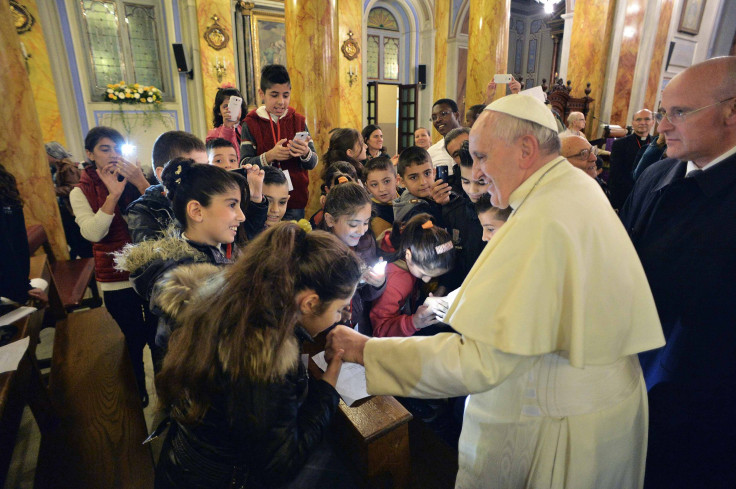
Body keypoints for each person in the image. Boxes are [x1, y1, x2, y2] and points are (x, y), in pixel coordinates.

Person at [327, 94, 665, 489]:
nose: (479, 174)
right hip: (591, 406)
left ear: (525, 149)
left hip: (557, 427)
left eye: (483, 156)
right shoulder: (570, 188)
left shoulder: (541, 219)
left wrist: (364, 350)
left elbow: (478, 363)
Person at [153, 223, 362, 489]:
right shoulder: (259, 358)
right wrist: (328, 385)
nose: (344, 317)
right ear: (309, 303)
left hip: (185, 460)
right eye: (341, 309)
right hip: (221, 479)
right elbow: (281, 465)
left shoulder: (235, 296)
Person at [618, 56, 736, 489]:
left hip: (708, 409)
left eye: (680, 113)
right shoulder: (657, 172)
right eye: (663, 111)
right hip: (630, 379)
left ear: (732, 111)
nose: (663, 125)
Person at [69, 126, 160, 406]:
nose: (112, 155)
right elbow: (93, 234)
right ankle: (137, 392)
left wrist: (141, 181)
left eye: (117, 149)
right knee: (131, 340)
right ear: (90, 154)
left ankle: (165, 389)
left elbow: (163, 211)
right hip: (116, 278)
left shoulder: (136, 176)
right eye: (104, 149)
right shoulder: (80, 190)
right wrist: (113, 195)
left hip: (150, 270)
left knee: (158, 337)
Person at [115, 158, 245, 349]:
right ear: (196, 211)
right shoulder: (186, 284)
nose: (241, 216)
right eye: (232, 205)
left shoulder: (217, 253)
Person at [370, 214, 454, 338]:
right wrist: (414, 322)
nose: (426, 280)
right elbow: (379, 331)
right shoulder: (396, 282)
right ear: (408, 255)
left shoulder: (408, 238)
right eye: (424, 274)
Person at [321, 181, 386, 334]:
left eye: (366, 222)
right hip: (327, 328)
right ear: (330, 220)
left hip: (358, 324)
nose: (362, 230)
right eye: (353, 224)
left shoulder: (366, 244)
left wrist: (378, 283)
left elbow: (368, 295)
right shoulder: (319, 252)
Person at [126, 131, 209, 243]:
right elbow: (153, 257)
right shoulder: (143, 210)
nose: (203, 175)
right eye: (193, 168)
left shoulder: (210, 197)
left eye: (206, 167)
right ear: (162, 174)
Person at [431, 139, 486, 290]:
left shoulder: (504, 214)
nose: (472, 190)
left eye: (481, 182)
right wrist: (441, 292)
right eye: (465, 182)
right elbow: (451, 256)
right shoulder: (453, 210)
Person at [0, 164, 47, 306]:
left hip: (11, 283)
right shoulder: (5, 181)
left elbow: (13, 243)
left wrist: (22, 286)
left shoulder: (5, 181)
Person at [45, 141, 92, 258]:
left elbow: (73, 188)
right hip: (66, 210)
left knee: (79, 241)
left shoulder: (67, 168)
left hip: (71, 211)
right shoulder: (56, 168)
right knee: (74, 240)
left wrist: (53, 191)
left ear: (53, 154)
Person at [608, 109, 654, 209]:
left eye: (647, 119)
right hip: (627, 195)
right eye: (638, 120)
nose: (643, 123)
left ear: (653, 122)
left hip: (650, 195)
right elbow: (615, 175)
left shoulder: (658, 144)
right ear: (633, 123)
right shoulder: (620, 144)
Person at [393, 146, 448, 226]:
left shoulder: (433, 197)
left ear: (434, 173)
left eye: (427, 173)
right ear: (402, 181)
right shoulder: (416, 214)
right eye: (414, 177)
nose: (423, 182)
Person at [561, 135, 610, 200]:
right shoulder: (560, 196)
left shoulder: (597, 187)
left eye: (592, 151)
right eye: (583, 154)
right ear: (562, 161)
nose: (594, 158)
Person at [206, 86, 248, 160]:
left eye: (235, 106)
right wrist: (227, 127)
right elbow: (221, 155)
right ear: (219, 111)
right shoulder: (213, 135)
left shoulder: (248, 129)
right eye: (226, 106)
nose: (230, 110)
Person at [363, 155, 399, 237]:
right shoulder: (374, 216)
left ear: (397, 180)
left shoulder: (405, 193)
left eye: (386, 181)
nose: (381, 189)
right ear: (367, 187)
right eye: (374, 184)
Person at [427, 99, 463, 175]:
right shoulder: (431, 153)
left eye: (443, 114)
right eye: (434, 118)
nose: (438, 120)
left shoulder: (474, 144)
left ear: (456, 115)